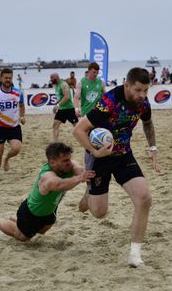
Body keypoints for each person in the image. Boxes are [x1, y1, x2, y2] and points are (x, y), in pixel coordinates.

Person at [73, 67, 161, 267]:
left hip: (123, 155)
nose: (142, 95)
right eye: (138, 90)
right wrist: (94, 152)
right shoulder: (109, 102)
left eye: (146, 90)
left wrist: (153, 148)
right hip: (100, 157)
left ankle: (135, 254)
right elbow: (78, 131)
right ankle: (89, 195)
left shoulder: (143, 104)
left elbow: (148, 123)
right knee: (99, 213)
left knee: (144, 198)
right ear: (127, 85)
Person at [0, 142, 95, 241]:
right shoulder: (47, 177)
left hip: (50, 210)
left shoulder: (67, 166)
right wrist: (80, 178)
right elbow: (59, 184)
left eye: (69, 159)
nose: (69, 162)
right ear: (52, 162)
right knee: (21, 237)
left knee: (41, 231)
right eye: (65, 160)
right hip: (31, 213)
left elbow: (78, 168)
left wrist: (83, 173)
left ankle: (16, 220)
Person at [73, 62, 106, 213]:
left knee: (99, 142)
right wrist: (76, 108)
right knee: (89, 146)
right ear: (88, 72)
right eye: (93, 72)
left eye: (97, 72)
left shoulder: (101, 82)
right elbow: (77, 97)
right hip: (86, 117)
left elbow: (105, 96)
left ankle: (96, 162)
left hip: (100, 117)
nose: (95, 75)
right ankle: (90, 166)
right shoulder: (82, 82)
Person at [51, 73, 78, 141]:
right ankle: (55, 142)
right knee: (55, 125)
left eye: (51, 78)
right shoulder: (56, 85)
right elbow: (60, 97)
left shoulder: (63, 84)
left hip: (69, 109)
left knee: (77, 127)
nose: (50, 79)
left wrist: (57, 105)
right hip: (61, 110)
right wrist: (56, 105)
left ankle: (86, 138)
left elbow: (67, 97)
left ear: (56, 77)